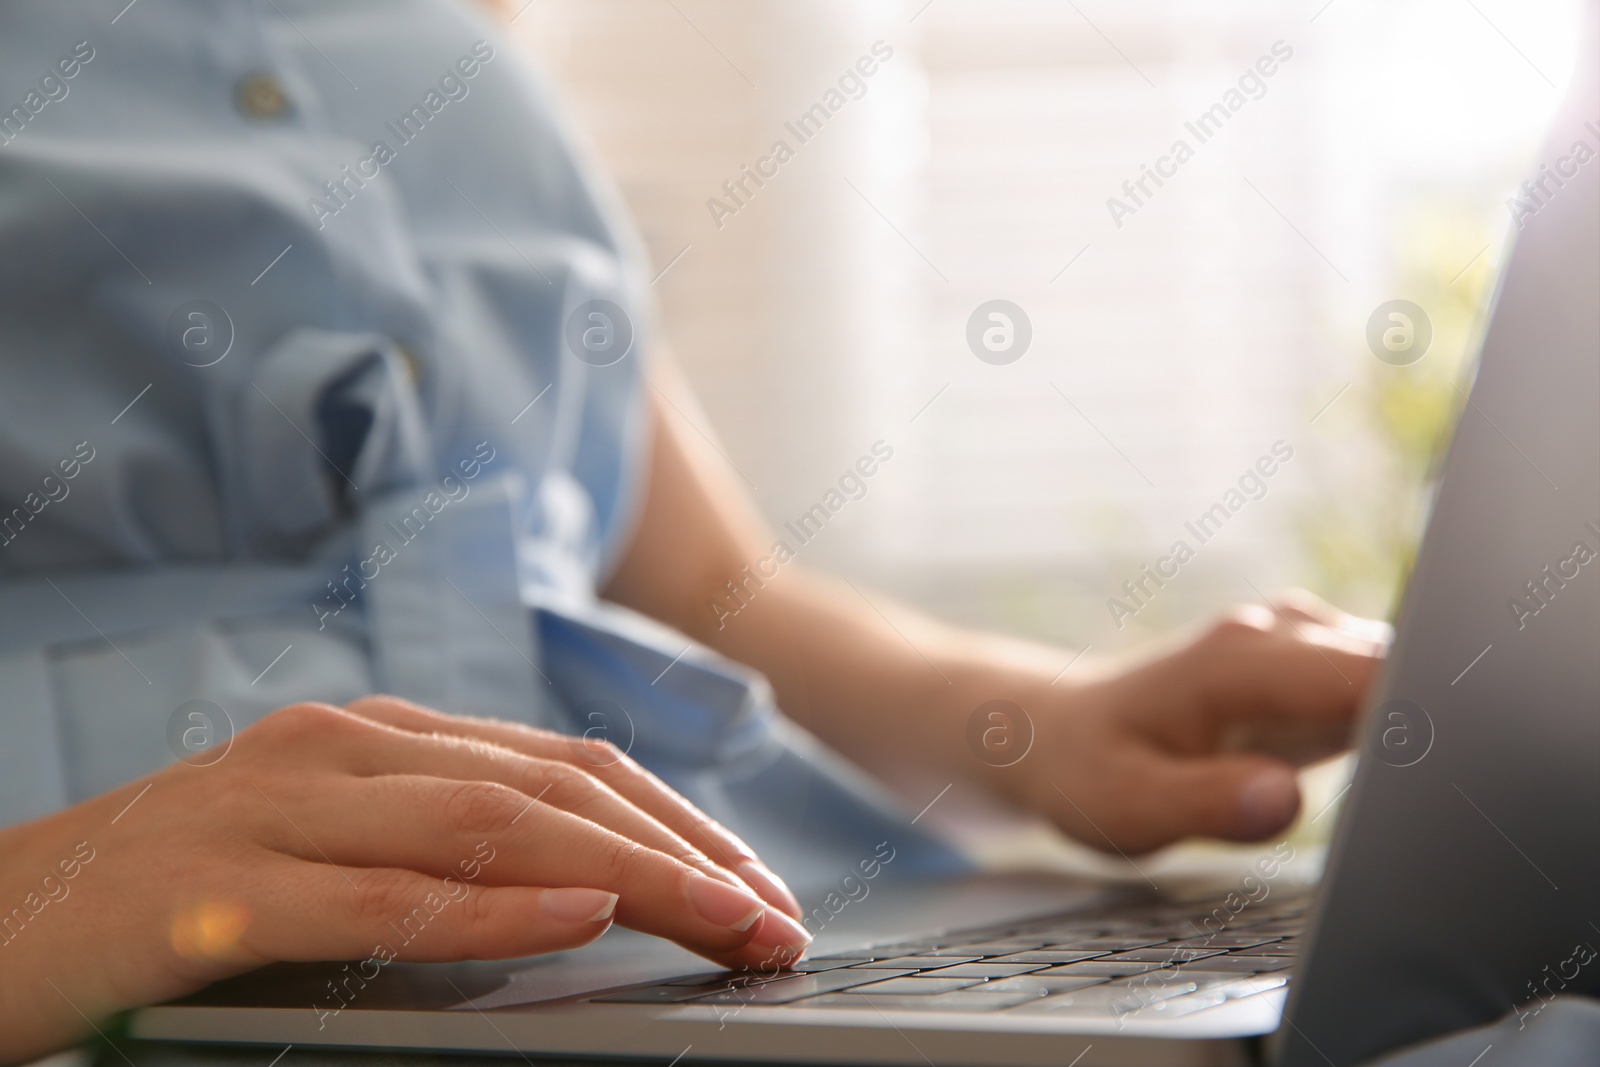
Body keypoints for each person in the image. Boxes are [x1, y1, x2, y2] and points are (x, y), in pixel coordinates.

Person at [0, 1, 1382, 1063]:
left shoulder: (461, 37)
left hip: (707, 936)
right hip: (161, 994)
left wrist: (1054, 726)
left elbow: (716, 588)